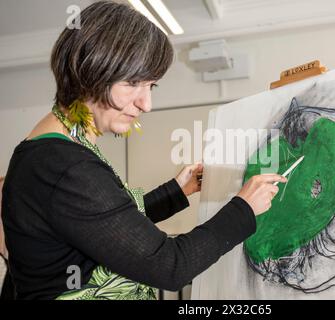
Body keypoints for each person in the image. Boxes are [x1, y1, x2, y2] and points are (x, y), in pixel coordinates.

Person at [1, 1, 286, 300]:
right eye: (133, 83)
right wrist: (243, 209)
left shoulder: (53, 150)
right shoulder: (63, 166)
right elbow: (169, 266)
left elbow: (107, 228)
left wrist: (176, 190)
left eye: (151, 86)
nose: (146, 104)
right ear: (90, 71)